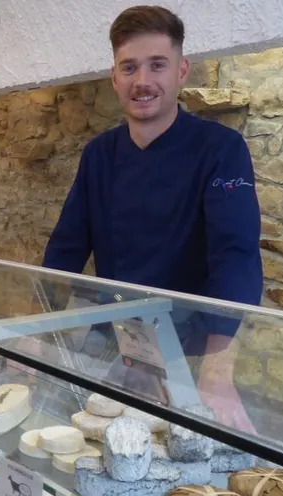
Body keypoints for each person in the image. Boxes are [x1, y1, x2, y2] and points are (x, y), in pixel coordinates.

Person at [41, 5, 262, 432]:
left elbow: (235, 256)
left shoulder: (221, 149)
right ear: (114, 78)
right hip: (115, 337)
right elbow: (65, 250)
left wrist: (216, 373)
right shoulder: (99, 154)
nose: (142, 81)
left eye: (157, 65)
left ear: (181, 71)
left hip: (193, 348)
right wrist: (38, 335)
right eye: (130, 67)